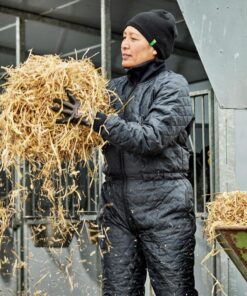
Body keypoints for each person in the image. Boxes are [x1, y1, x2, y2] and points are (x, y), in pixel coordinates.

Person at [52, 9, 198, 296]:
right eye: (124, 37)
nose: (124, 44)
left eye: (134, 38)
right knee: (118, 291)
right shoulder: (113, 89)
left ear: (154, 47)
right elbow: (86, 127)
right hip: (117, 211)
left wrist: (98, 119)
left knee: (173, 290)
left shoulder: (173, 86)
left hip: (164, 210)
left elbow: (152, 138)